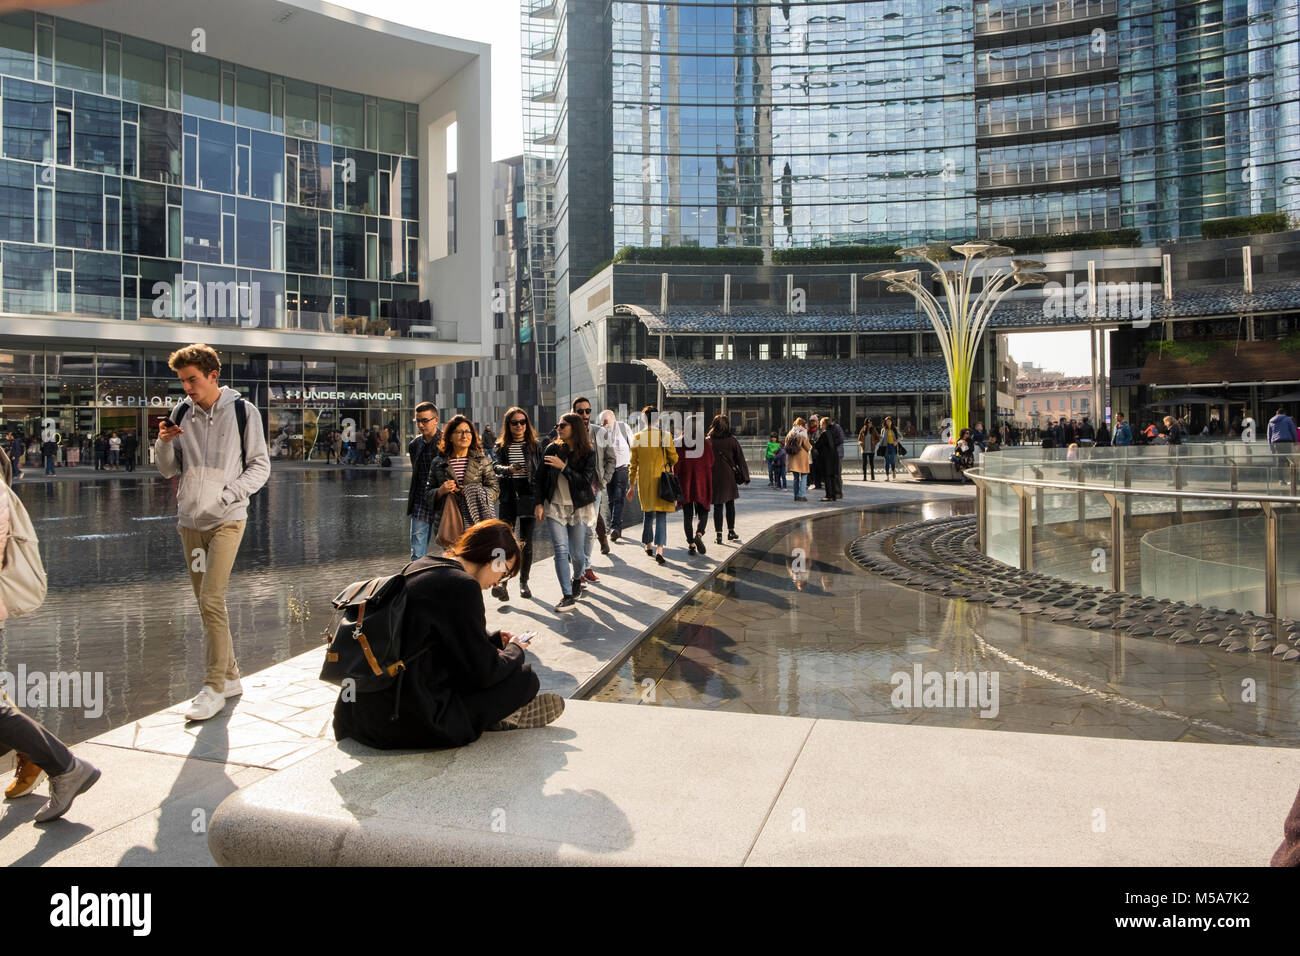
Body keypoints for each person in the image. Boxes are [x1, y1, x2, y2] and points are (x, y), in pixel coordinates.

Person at [332, 520, 564, 749]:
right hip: (407, 719)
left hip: (363, 711)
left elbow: (436, 634)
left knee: (494, 673)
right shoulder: (463, 586)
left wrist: (492, 639)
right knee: (524, 679)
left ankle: (499, 714)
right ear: (495, 560)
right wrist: (515, 649)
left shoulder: (425, 565)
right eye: (503, 573)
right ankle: (498, 715)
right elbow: (485, 673)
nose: (497, 583)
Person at [155, 343, 271, 722]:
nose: (187, 388)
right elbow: (168, 470)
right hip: (190, 522)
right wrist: (164, 442)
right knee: (207, 605)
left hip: (228, 519)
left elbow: (259, 466)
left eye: (193, 380)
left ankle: (213, 686)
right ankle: (232, 676)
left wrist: (228, 494)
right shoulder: (181, 414)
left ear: (212, 376)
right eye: (183, 381)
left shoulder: (242, 411)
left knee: (211, 599)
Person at [535, 412, 600, 611]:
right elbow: (539, 479)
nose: (558, 428)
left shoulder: (588, 452)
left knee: (578, 554)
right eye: (558, 425)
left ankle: (576, 578)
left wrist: (564, 467)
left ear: (575, 428)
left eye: (563, 425)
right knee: (561, 551)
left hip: (578, 507)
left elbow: (584, 482)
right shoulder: (552, 448)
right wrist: (538, 503)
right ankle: (567, 595)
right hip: (555, 506)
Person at [491, 406, 543, 601]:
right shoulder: (500, 446)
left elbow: (540, 474)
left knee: (526, 541)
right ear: (508, 425)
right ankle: (501, 583)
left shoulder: (535, 446)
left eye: (522, 422)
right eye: (515, 422)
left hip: (529, 494)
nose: (519, 425)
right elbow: (494, 466)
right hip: (508, 495)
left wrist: (540, 502)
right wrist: (508, 469)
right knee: (503, 541)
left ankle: (524, 582)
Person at [429, 416, 499, 545]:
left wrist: (470, 491)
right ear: (450, 436)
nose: (464, 435)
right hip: (450, 522)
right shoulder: (438, 462)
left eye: (468, 432)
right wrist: (441, 491)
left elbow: (494, 489)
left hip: (476, 520)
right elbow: (427, 494)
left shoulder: (482, 461)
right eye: (459, 432)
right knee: (454, 562)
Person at [627, 405, 679, 564]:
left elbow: (633, 464)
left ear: (643, 419)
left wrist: (631, 485)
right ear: (658, 419)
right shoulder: (665, 436)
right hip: (662, 481)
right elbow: (674, 458)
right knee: (661, 515)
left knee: (648, 514)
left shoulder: (637, 437)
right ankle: (660, 550)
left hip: (645, 481)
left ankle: (648, 545)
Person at [572, 397, 614, 582]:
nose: (584, 415)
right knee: (576, 530)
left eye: (587, 411)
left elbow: (611, 459)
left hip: (595, 490)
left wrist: (604, 481)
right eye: (580, 411)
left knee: (589, 530)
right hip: (574, 490)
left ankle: (586, 567)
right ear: (574, 412)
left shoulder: (600, 433)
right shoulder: (568, 433)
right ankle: (578, 570)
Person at [406, 402, 441, 560]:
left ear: (436, 420)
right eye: (418, 421)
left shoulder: (446, 443)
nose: (420, 425)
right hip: (421, 499)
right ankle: (416, 581)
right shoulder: (414, 445)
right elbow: (417, 473)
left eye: (425, 420)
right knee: (417, 551)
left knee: (452, 546)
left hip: (443, 498)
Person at [708, 414, 749, 543]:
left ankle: (718, 535)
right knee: (730, 504)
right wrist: (745, 476)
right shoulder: (732, 440)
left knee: (717, 506)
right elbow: (740, 459)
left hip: (714, 476)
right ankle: (731, 531)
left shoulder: (708, 441)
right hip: (729, 476)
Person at [675, 424, 713, 555]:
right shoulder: (705, 443)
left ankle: (691, 544)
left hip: (685, 482)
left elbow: (676, 464)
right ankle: (699, 534)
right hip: (701, 481)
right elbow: (711, 461)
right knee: (704, 509)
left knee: (687, 514)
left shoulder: (679, 442)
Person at [601, 409, 633, 541]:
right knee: (611, 499)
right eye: (602, 422)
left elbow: (633, 445)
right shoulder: (602, 432)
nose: (604, 424)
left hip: (622, 469)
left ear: (612, 418)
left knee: (619, 497)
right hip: (609, 470)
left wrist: (632, 464)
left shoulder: (623, 427)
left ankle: (614, 527)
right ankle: (616, 528)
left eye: (605, 421)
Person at [815, 416, 842, 501]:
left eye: (821, 424)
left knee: (827, 477)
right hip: (834, 457)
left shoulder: (825, 434)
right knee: (833, 476)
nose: (820, 426)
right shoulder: (833, 432)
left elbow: (817, 445)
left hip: (826, 459)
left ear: (824, 424)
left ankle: (828, 495)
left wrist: (813, 442)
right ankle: (834, 495)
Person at [785, 417, 812, 501]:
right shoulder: (802, 432)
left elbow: (786, 444)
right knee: (804, 476)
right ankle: (802, 495)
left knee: (796, 478)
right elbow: (807, 446)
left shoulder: (790, 432)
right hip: (802, 459)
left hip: (792, 459)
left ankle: (796, 495)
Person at [879, 416, 901, 481]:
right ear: (885, 422)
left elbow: (901, 437)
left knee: (892, 460)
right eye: (887, 421)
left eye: (889, 421)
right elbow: (882, 439)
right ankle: (887, 476)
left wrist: (896, 441)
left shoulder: (895, 429)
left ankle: (893, 470)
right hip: (885, 446)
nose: (888, 423)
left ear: (891, 422)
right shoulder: (883, 429)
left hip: (892, 446)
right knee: (886, 461)